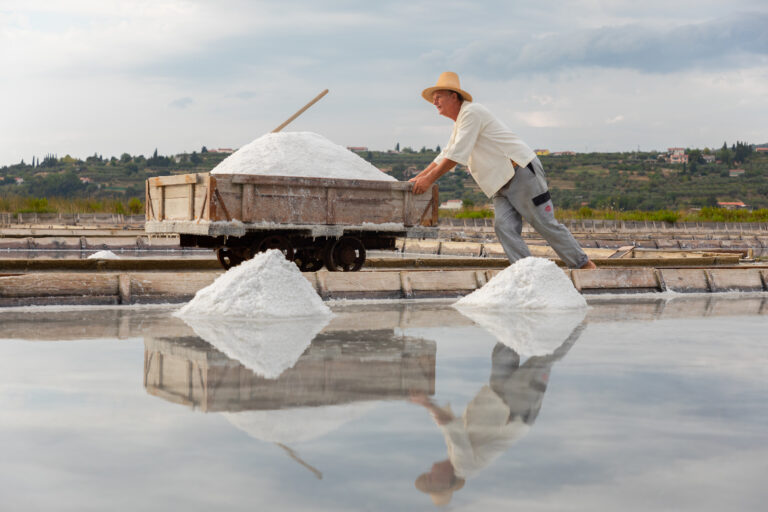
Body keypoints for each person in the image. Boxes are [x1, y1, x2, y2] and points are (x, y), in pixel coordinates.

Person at [410, 71, 597, 270]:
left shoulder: (471, 113)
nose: (435, 102)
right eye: (433, 98)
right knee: (504, 227)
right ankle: (527, 273)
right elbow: (445, 154)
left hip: (520, 172)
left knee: (544, 223)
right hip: (500, 182)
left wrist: (428, 180)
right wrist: (419, 177)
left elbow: (456, 155)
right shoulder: (460, 123)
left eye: (438, 97)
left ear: (453, 96)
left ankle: (585, 266)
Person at [410, 321, 585, 506]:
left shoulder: (455, 459)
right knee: (543, 359)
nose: (430, 471)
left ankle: (526, 314)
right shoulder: (464, 466)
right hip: (516, 412)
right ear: (446, 482)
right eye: (431, 478)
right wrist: (427, 403)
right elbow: (454, 429)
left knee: (503, 350)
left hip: (496, 400)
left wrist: (427, 405)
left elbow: (447, 425)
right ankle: (578, 322)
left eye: (427, 476)